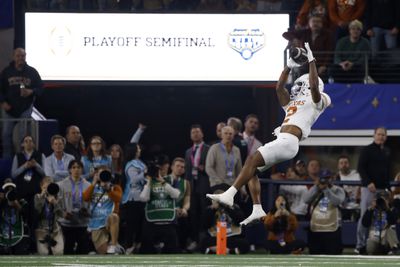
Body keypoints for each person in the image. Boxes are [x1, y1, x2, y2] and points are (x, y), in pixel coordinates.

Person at [207, 42, 331, 226]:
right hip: (283, 140)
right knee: (252, 171)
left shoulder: (318, 100)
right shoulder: (293, 104)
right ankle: (257, 208)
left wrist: (312, 61)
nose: (296, 88)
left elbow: (314, 88)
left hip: (289, 142)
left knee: (250, 160)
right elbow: (279, 88)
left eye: (300, 84)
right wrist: (289, 65)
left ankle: (229, 194)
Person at [0, 48, 43, 159]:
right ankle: (7, 161)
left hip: (25, 109)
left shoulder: (32, 72)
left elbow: (41, 89)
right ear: (14, 57)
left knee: (22, 137)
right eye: (18, 56)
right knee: (6, 136)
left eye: (22, 56)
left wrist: (31, 91)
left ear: (25, 57)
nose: (20, 58)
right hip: (8, 110)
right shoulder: (6, 72)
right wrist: (2, 102)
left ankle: (21, 159)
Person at [355, 127, 391, 255]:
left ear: (386, 137)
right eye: (379, 134)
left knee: (384, 218)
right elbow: (360, 168)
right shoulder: (367, 150)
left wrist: (388, 188)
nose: (381, 137)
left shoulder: (386, 151)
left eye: (383, 135)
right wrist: (368, 182)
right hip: (369, 189)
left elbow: (386, 171)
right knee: (365, 216)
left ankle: (383, 244)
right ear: (374, 135)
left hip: (383, 189)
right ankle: (360, 245)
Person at [139, 161, 181, 254]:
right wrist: (149, 181)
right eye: (158, 169)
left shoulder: (172, 180)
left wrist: (163, 182)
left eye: (161, 169)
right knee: (147, 252)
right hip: (152, 223)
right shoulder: (147, 182)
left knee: (172, 252)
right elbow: (143, 198)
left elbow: (176, 195)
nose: (159, 171)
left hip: (168, 222)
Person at [303, 169, 345, 254]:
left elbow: (337, 201)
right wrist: (316, 187)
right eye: (323, 178)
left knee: (333, 255)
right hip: (316, 229)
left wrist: (326, 189)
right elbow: (306, 199)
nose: (325, 180)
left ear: (332, 178)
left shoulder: (338, 190)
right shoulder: (315, 189)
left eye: (327, 178)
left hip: (332, 229)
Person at [83, 167, 123, 254]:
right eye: (101, 173)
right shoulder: (93, 187)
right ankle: (116, 249)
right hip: (96, 222)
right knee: (104, 253)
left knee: (114, 217)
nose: (103, 176)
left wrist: (108, 189)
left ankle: (114, 244)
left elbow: (118, 199)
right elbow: (85, 198)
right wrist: (93, 183)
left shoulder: (115, 187)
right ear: (97, 175)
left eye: (106, 173)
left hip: (108, 220)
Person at [200, 187, 249, 254]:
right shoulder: (209, 210)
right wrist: (213, 209)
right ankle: (231, 251)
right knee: (203, 242)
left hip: (231, 236)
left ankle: (215, 251)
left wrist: (227, 207)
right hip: (216, 237)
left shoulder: (234, 207)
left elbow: (239, 222)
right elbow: (205, 225)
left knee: (244, 244)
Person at [184, 124, 210, 251]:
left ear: (202, 134)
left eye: (197, 132)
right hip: (192, 186)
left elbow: (212, 168)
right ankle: (194, 240)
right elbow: (187, 172)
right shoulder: (188, 151)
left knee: (205, 212)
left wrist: (205, 169)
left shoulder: (209, 149)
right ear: (190, 136)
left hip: (204, 184)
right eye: (193, 132)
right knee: (193, 213)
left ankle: (204, 240)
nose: (195, 134)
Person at [57, 160, 91, 255]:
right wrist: (63, 214)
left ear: (82, 170)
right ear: (69, 170)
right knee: (68, 251)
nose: (76, 170)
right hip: (67, 223)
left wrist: (87, 212)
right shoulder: (61, 185)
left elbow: (92, 204)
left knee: (83, 252)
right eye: (73, 167)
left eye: (78, 167)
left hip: (82, 223)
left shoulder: (88, 185)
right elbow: (56, 204)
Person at [123, 143, 147, 254]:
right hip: (132, 198)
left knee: (141, 224)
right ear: (133, 151)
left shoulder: (140, 162)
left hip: (142, 197)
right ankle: (129, 246)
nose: (139, 150)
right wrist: (145, 173)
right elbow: (134, 180)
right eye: (137, 149)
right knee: (132, 224)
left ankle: (138, 244)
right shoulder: (130, 164)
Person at [362, 191, 399, 255]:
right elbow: (365, 224)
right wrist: (371, 209)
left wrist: (387, 209)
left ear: (388, 200)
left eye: (385, 199)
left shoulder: (392, 209)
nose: (383, 202)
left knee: (389, 230)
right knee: (370, 248)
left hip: (387, 239)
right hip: (374, 236)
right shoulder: (371, 210)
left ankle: (394, 248)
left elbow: (393, 221)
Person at [34, 178, 64, 255]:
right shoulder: (37, 197)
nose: (47, 190)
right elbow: (37, 213)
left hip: (55, 229)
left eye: (49, 187)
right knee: (43, 253)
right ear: (41, 187)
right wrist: (41, 198)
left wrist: (55, 203)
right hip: (41, 230)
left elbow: (62, 214)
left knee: (59, 252)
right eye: (45, 188)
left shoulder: (58, 198)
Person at [0, 179, 30, 254]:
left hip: (19, 234)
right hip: (3, 235)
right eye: (7, 189)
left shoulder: (21, 200)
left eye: (11, 188)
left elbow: (28, 215)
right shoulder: (1, 201)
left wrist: (17, 205)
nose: (9, 191)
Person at [167, 157, 191, 252]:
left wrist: (185, 209)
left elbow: (187, 199)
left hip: (179, 212)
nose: (180, 168)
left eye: (182, 167)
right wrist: (172, 210)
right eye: (177, 166)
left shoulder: (186, 183)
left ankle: (182, 247)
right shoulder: (164, 180)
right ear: (172, 167)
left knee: (185, 218)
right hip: (166, 211)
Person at [336, 155, 361, 221]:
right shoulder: (336, 177)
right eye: (341, 163)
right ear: (338, 166)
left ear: (349, 164)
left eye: (346, 163)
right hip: (343, 207)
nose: (344, 165)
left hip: (358, 205)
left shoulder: (357, 175)